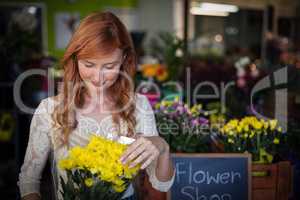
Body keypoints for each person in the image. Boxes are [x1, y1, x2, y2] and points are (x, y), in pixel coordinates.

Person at [18, 11, 175, 200]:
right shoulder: (49, 109)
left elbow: (161, 183)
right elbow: (29, 180)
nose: (97, 77)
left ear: (124, 58)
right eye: (89, 64)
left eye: (109, 66)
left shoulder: (139, 106)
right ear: (75, 59)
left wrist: (163, 148)